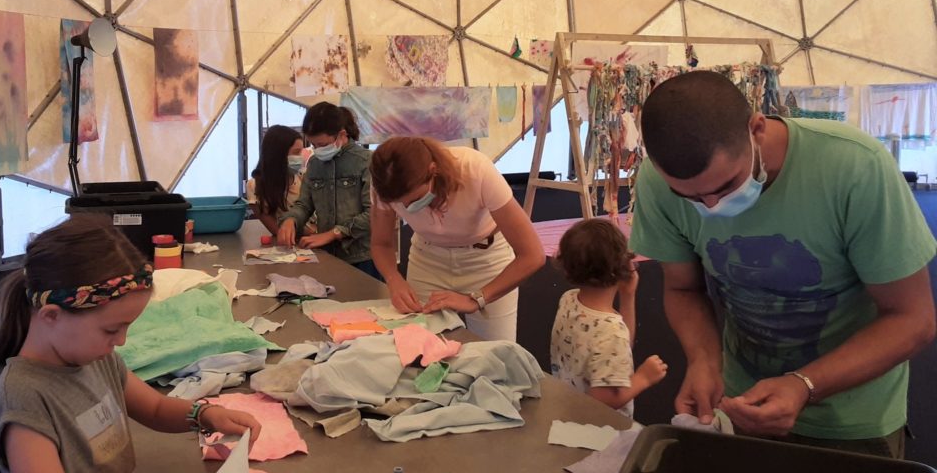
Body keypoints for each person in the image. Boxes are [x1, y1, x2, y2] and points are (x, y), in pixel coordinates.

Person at [630, 70, 936, 457]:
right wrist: (704, 360)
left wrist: (805, 384)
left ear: (756, 129)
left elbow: (913, 320)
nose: (710, 207)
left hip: (854, 416)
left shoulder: (855, 168)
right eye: (687, 196)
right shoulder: (657, 183)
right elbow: (682, 287)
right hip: (743, 403)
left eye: (725, 187)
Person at [0, 215, 262, 473]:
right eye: (112, 328)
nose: (122, 342)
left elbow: (156, 407)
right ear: (51, 315)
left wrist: (204, 415)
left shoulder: (95, 357)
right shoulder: (24, 400)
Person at [370, 136, 545, 341]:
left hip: (486, 262)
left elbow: (532, 255)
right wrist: (393, 279)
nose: (408, 208)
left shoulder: (475, 169)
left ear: (433, 171)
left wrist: (477, 299)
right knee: (416, 345)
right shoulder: (384, 184)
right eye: (400, 204)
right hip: (428, 261)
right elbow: (381, 243)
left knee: (496, 352)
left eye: (416, 199)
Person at [551, 218, 667, 416]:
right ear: (624, 266)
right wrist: (643, 379)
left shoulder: (569, 300)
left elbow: (618, 351)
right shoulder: (611, 332)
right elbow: (602, 400)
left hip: (568, 406)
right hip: (601, 428)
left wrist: (627, 296)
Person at [277, 102, 378, 279]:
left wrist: (334, 233)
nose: (318, 150)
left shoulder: (366, 162)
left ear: (341, 135)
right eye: (314, 145)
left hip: (362, 257)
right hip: (327, 255)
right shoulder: (315, 164)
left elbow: (374, 214)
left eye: (322, 144)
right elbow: (304, 204)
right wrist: (291, 219)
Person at [246, 124, 316, 237]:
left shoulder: (304, 177)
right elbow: (278, 231)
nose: (301, 157)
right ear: (278, 154)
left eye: (301, 152)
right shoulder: (256, 186)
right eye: (296, 152)